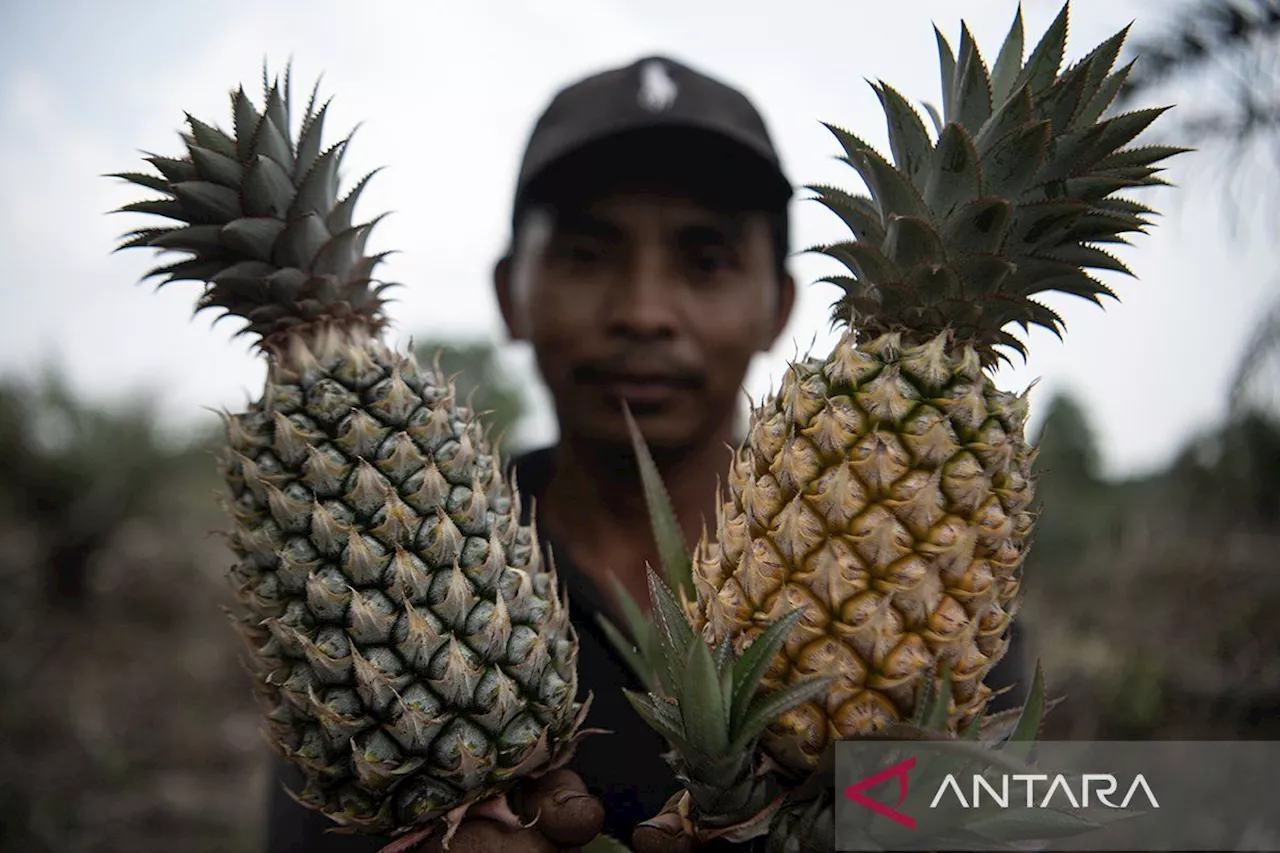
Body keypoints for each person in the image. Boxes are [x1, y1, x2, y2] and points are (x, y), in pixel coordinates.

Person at [265, 54, 1028, 853]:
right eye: (587, 255)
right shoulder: (389, 562)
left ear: (781, 307)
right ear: (508, 296)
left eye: (706, 261)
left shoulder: (927, 565)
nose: (643, 311)